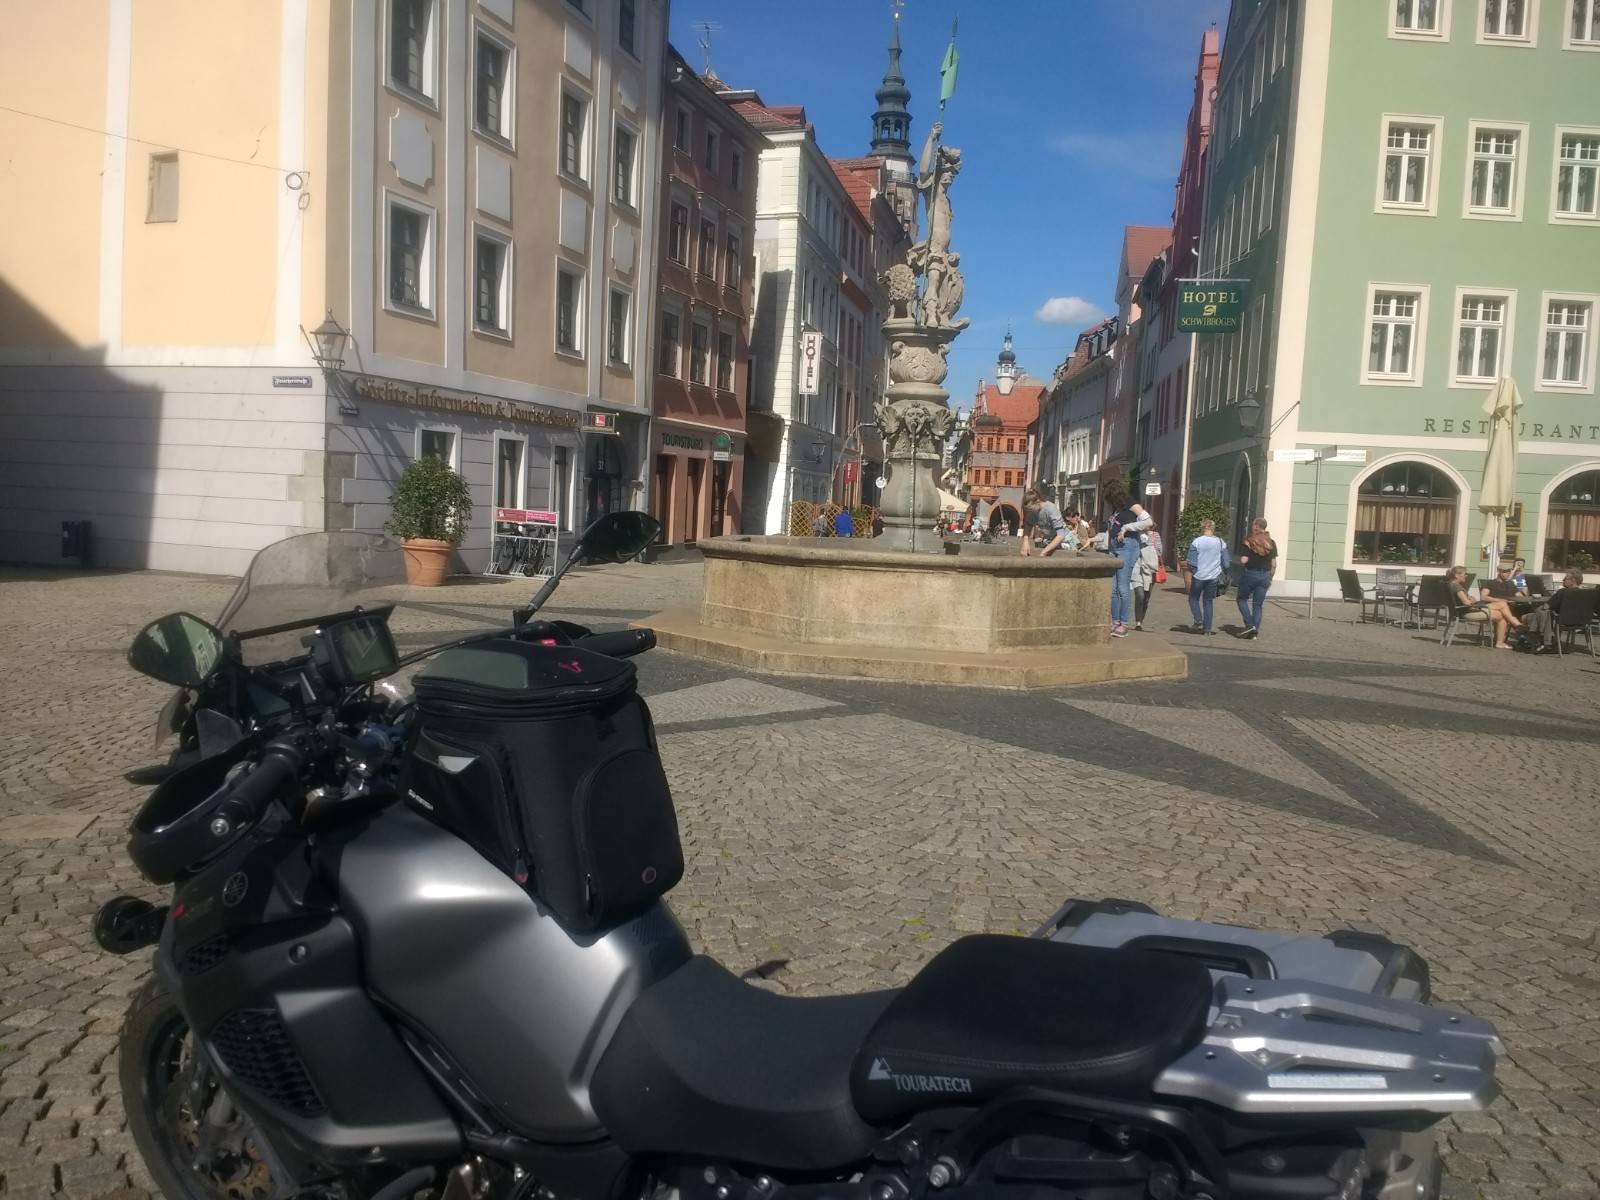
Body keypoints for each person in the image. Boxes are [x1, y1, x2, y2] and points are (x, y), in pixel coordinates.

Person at [1103, 482, 1153, 638]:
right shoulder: (1117, 508)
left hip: (1128, 546)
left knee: (1123, 587)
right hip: (1115, 547)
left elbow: (1148, 521)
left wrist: (1126, 528)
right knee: (1113, 588)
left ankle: (1123, 624)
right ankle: (1115, 622)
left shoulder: (1131, 503)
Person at [1444, 564, 1524, 649]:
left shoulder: (1452, 584)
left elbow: (1465, 600)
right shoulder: (1456, 586)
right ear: (1457, 575)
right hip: (1467, 612)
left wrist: (1471, 599)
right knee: (1502, 605)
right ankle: (1516, 626)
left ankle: (1502, 640)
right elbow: (1466, 602)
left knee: (1502, 613)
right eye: (1464, 574)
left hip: (1464, 610)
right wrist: (1473, 601)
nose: (1466, 576)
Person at [1234, 518, 1278, 639]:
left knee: (1241, 599)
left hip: (1251, 574)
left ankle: (1249, 624)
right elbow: (1274, 564)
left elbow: (1244, 560)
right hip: (1265, 575)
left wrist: (1242, 559)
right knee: (1258, 605)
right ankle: (1254, 633)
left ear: (1256, 526)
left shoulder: (1249, 540)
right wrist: (1270, 578)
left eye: (1253, 524)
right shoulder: (1271, 542)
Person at [1520, 569, 1584, 650]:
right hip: (1579, 622)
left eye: (1565, 579)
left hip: (1559, 621)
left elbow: (1546, 606)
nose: (1563, 580)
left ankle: (1534, 639)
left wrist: (1539, 607)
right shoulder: (1584, 594)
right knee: (1543, 615)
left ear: (1573, 581)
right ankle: (1541, 640)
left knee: (1530, 616)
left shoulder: (1563, 592)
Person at [1185, 519, 1228, 635]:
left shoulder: (1197, 542)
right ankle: (1207, 629)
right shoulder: (1220, 542)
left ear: (1202, 528)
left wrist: (1194, 571)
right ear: (1213, 529)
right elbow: (1226, 563)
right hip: (1213, 576)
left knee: (1193, 598)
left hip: (1199, 575)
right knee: (1208, 602)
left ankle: (1198, 618)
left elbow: (1191, 561)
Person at [1020, 490, 1073, 558]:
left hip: (1066, 540)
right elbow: (1028, 525)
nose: (1029, 512)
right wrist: (1025, 542)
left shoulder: (1051, 509)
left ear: (1037, 502)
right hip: (1050, 539)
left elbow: (1060, 536)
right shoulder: (1032, 512)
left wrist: (1044, 552)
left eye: (1030, 508)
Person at [1132, 527, 1164, 631]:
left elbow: (1160, 552)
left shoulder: (1155, 535)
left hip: (1150, 570)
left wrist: (1149, 550)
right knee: (1140, 595)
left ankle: (1140, 621)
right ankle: (1138, 622)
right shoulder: (1135, 534)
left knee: (1146, 597)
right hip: (1137, 568)